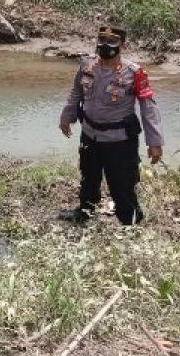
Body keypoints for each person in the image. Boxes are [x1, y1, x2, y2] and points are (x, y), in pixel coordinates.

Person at [58, 25, 164, 225]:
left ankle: (130, 222)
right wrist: (67, 117)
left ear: (122, 44)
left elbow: (148, 107)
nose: (105, 46)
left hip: (119, 141)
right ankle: (84, 211)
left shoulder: (134, 73)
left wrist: (155, 142)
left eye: (112, 42)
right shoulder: (86, 66)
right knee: (88, 176)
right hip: (90, 135)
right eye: (101, 40)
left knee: (122, 183)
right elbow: (76, 93)